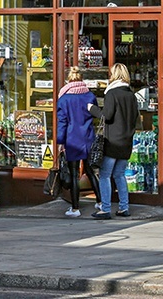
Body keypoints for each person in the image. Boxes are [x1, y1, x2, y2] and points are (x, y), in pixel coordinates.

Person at [88, 63, 139, 219]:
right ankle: (124, 207)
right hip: (126, 141)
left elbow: (107, 115)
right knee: (119, 175)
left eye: (110, 74)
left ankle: (105, 209)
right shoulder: (131, 95)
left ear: (114, 75)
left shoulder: (112, 94)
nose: (109, 77)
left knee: (104, 175)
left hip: (112, 141)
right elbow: (135, 118)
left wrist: (92, 109)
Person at [56, 66, 101, 218]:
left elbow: (62, 122)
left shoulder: (64, 99)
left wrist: (60, 142)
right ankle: (100, 201)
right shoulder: (89, 96)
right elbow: (95, 114)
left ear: (69, 79)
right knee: (90, 171)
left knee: (74, 173)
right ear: (81, 79)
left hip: (72, 139)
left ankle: (75, 208)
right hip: (87, 137)